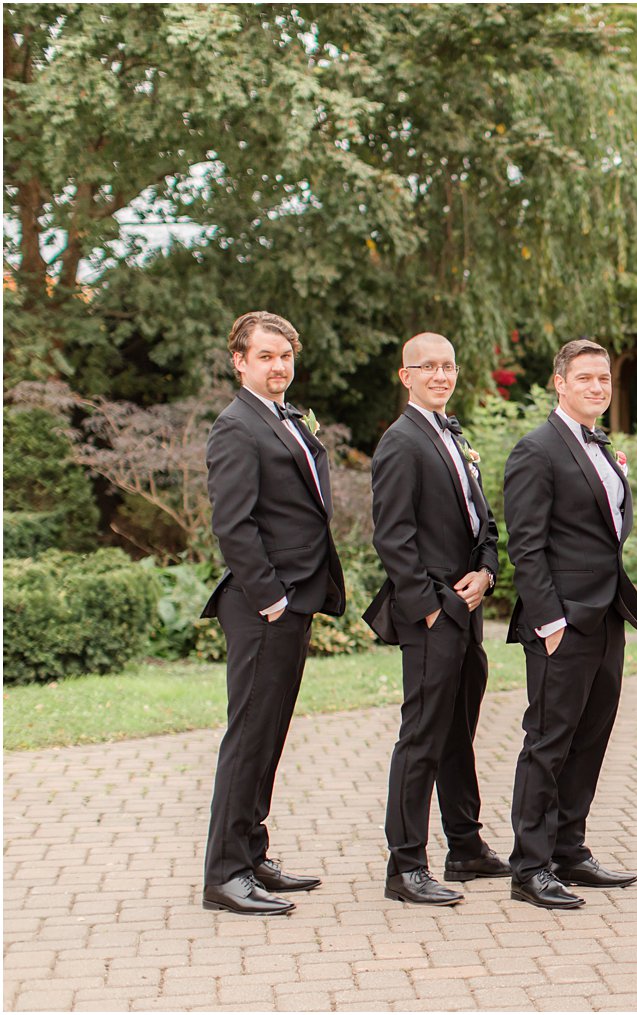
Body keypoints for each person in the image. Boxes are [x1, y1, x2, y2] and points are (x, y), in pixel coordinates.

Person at [201, 311, 345, 915]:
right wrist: (271, 599)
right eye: (265, 356)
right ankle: (224, 875)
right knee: (249, 738)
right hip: (265, 605)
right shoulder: (236, 427)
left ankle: (253, 853)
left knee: (271, 736)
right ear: (240, 361)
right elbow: (233, 526)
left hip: (294, 601)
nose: (278, 366)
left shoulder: (284, 418)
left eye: (285, 356)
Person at [500, 339, 637, 910]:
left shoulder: (602, 447)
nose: (597, 387)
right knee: (548, 742)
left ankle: (570, 848)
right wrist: (549, 620)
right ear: (559, 383)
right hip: (562, 621)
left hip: (606, 613)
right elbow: (527, 544)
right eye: (585, 378)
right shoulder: (535, 450)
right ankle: (530, 865)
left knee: (591, 736)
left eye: (604, 379)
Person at [365, 332, 504, 906]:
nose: (441, 375)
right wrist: (429, 608)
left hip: (467, 609)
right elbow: (392, 538)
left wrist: (488, 571)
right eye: (429, 367)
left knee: (457, 736)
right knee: (421, 737)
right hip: (432, 614)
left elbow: (483, 522)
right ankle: (406, 866)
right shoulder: (401, 443)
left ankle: (466, 848)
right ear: (406, 375)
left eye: (448, 366)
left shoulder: (455, 436)